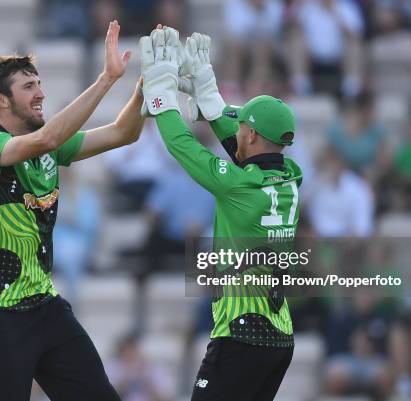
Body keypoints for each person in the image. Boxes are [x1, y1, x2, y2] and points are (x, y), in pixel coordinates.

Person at [0, 21, 145, 401]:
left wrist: (145, 88)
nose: (40, 93)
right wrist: (107, 79)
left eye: (39, 83)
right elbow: (50, 137)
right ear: (1, 101)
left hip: (43, 304)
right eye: (28, 87)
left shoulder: (48, 150)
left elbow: (125, 133)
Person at [140, 27, 301, 401]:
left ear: (252, 135)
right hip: (279, 336)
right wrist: (209, 99)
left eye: (242, 123)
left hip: (242, 334)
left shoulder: (239, 186)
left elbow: (182, 146)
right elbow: (248, 148)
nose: (238, 126)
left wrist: (162, 97)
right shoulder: (292, 178)